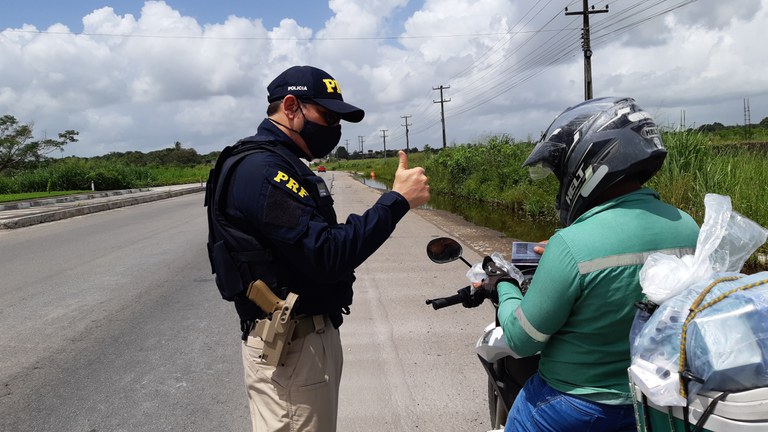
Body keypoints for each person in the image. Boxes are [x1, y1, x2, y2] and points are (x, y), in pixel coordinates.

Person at [205, 65, 430, 431]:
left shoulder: (279, 163)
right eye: (327, 116)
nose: (334, 129)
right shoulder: (264, 170)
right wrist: (396, 201)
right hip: (292, 350)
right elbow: (327, 255)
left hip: (299, 343)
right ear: (291, 107)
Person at [494, 97, 700, 431]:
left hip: (574, 407)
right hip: (657, 405)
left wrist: (504, 284)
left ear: (590, 161)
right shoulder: (688, 226)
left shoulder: (571, 244)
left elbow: (521, 339)